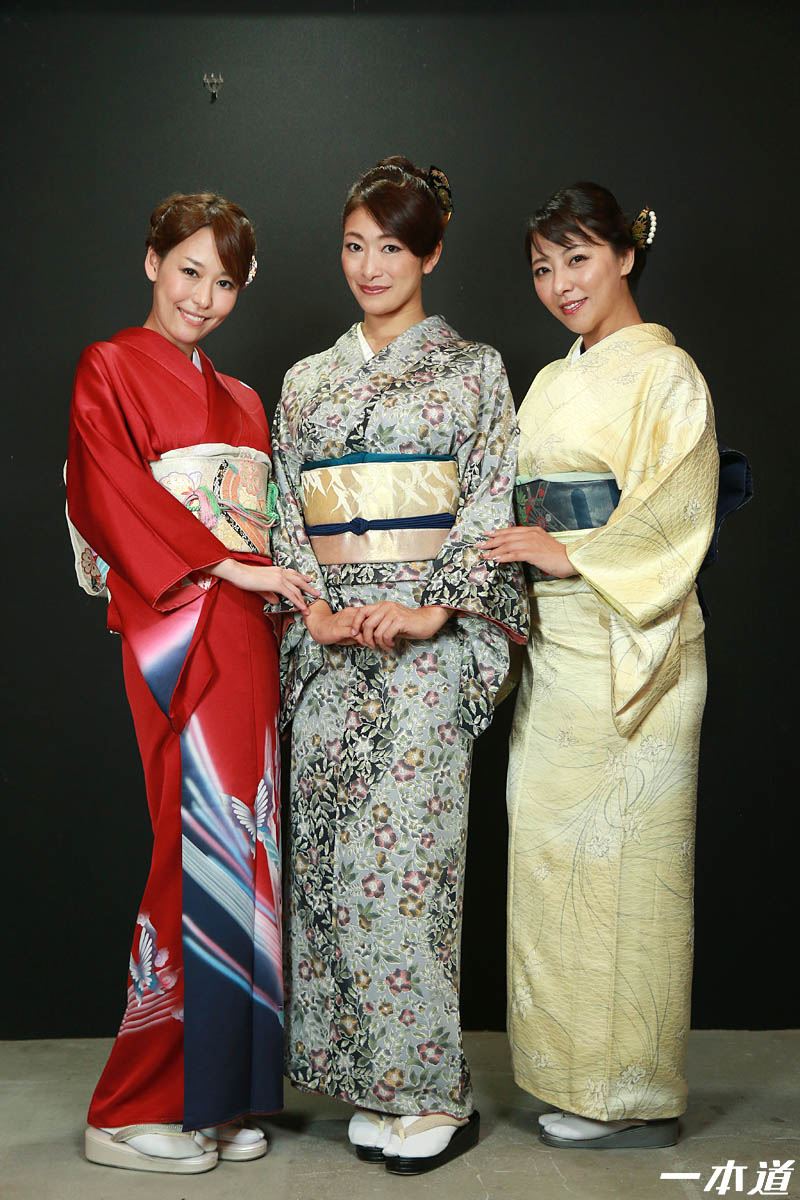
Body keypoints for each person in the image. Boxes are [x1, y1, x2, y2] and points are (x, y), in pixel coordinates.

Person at [270, 156, 529, 1175]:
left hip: (422, 654)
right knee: (333, 871)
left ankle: (429, 1092)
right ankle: (365, 1082)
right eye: (354, 245)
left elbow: (488, 500)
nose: (370, 266)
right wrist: (316, 613)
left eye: (391, 246)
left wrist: (429, 610)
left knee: (409, 874)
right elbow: (286, 512)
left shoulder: (473, 371)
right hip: (331, 650)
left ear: (431, 251)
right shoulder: (306, 382)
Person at [66, 192, 316, 1173]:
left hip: (247, 633)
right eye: (188, 272)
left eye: (225, 283)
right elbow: (107, 489)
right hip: (178, 625)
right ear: (151, 263)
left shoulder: (244, 398)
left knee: (247, 851)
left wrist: (270, 581)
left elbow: (270, 524)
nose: (203, 298)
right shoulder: (109, 366)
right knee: (193, 843)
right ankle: (129, 1104)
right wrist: (228, 566)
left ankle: (217, 1093)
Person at [481, 182, 719, 1150]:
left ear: (624, 254)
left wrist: (568, 553)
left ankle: (635, 1096)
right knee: (553, 863)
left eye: (577, 258)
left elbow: (679, 510)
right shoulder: (549, 381)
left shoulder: (667, 376)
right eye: (543, 268)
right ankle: (573, 1080)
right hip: (559, 648)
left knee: (628, 871)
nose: (560, 284)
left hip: (635, 647)